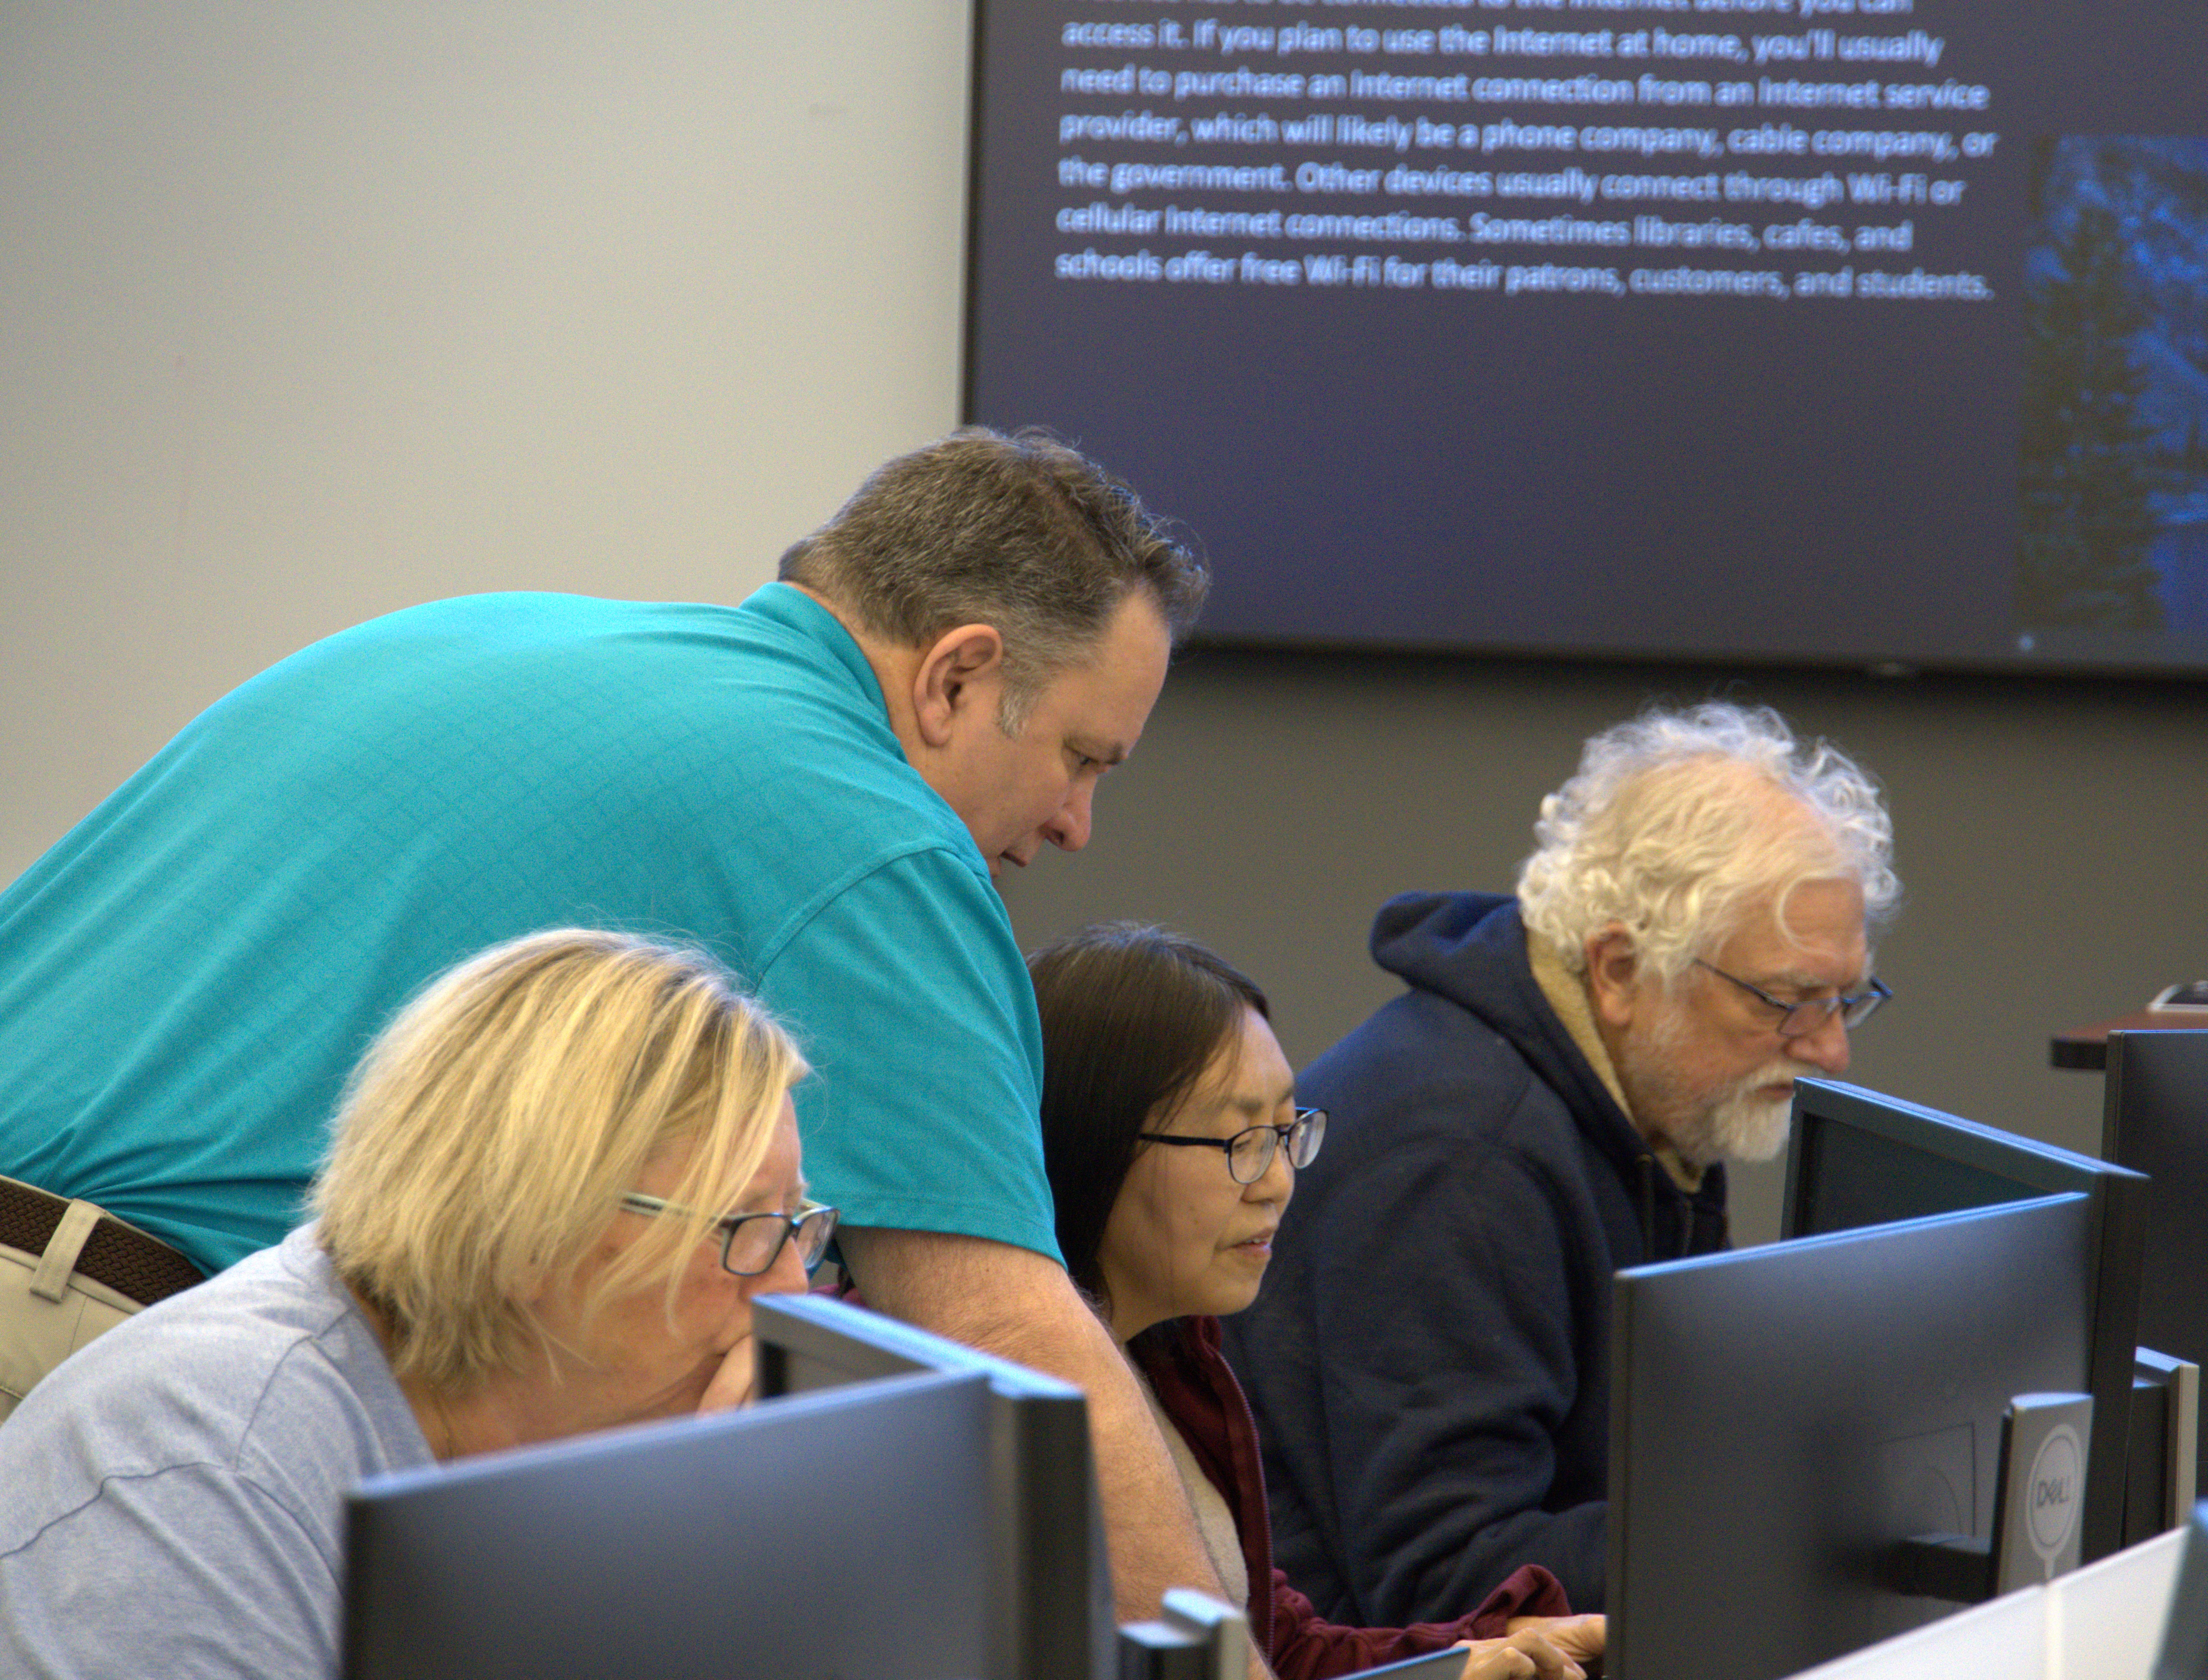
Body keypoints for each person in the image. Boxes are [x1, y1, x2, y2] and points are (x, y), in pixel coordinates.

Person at [0, 428, 1236, 1639]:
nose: (1079, 823)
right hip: (123, 1378)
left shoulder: (484, 632)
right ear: (956, 677)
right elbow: (1005, 1339)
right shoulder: (868, 830)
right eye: (1083, 757)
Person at [1222, 701, 1901, 1624]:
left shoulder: (1658, 1090)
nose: (1828, 1049)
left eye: (1844, 999)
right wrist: (1788, 1519)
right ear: (1619, 969)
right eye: (1787, 1001)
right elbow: (1447, 1579)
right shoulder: (1463, 1161)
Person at [0, 928, 831, 1677]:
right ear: (529, 1233)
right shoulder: (207, 1475)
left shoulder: (550, 1443)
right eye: (745, 1228)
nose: (791, 1285)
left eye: (798, 1222)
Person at [1029, 923, 1607, 1680]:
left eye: (1286, 1131)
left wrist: (1470, 1655)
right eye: (1240, 1141)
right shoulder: (1012, 1419)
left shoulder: (1180, 1367)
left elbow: (1286, 1653)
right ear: (1096, 1145)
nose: (1276, 1182)